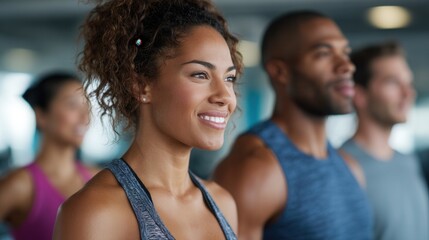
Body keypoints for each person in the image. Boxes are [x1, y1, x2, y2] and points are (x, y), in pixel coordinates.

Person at [53, 0, 243, 239]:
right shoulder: (96, 212)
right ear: (141, 85)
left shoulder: (223, 202)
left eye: (229, 78)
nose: (226, 96)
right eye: (200, 75)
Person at [214, 11, 372, 240]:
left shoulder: (350, 166)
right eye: (324, 53)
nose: (347, 66)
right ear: (280, 71)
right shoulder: (255, 169)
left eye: (345, 53)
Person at [339, 41, 429, 240]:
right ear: (360, 95)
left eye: (409, 83)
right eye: (393, 82)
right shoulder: (342, 168)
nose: (408, 93)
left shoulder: (408, 162)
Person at [0, 72, 98, 240]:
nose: (85, 117)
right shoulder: (20, 184)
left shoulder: (97, 178)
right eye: (73, 105)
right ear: (41, 116)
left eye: (87, 106)